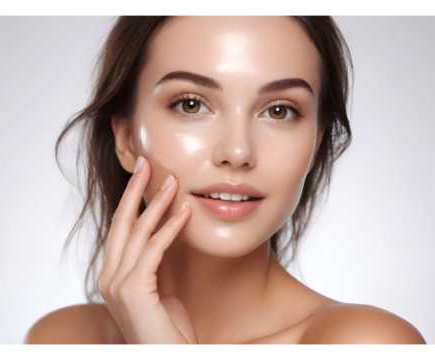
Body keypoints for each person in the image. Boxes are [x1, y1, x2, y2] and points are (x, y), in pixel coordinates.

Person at [26, 15, 425, 345]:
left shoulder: (367, 340)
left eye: (280, 111)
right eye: (191, 104)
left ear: (316, 144)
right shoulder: (64, 337)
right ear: (127, 138)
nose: (238, 152)